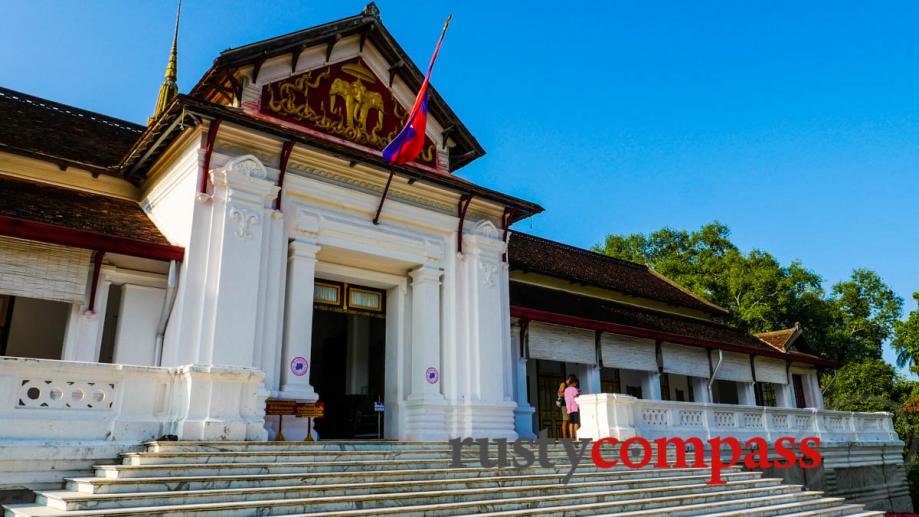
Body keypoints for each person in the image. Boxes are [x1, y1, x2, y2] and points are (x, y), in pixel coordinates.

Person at [564, 374, 581, 439]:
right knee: (576, 422)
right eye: (575, 383)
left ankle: (571, 437)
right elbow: (576, 396)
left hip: (569, 409)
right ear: (573, 382)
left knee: (571, 423)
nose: (576, 384)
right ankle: (576, 436)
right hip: (575, 408)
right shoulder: (574, 389)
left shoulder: (566, 390)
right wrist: (579, 393)